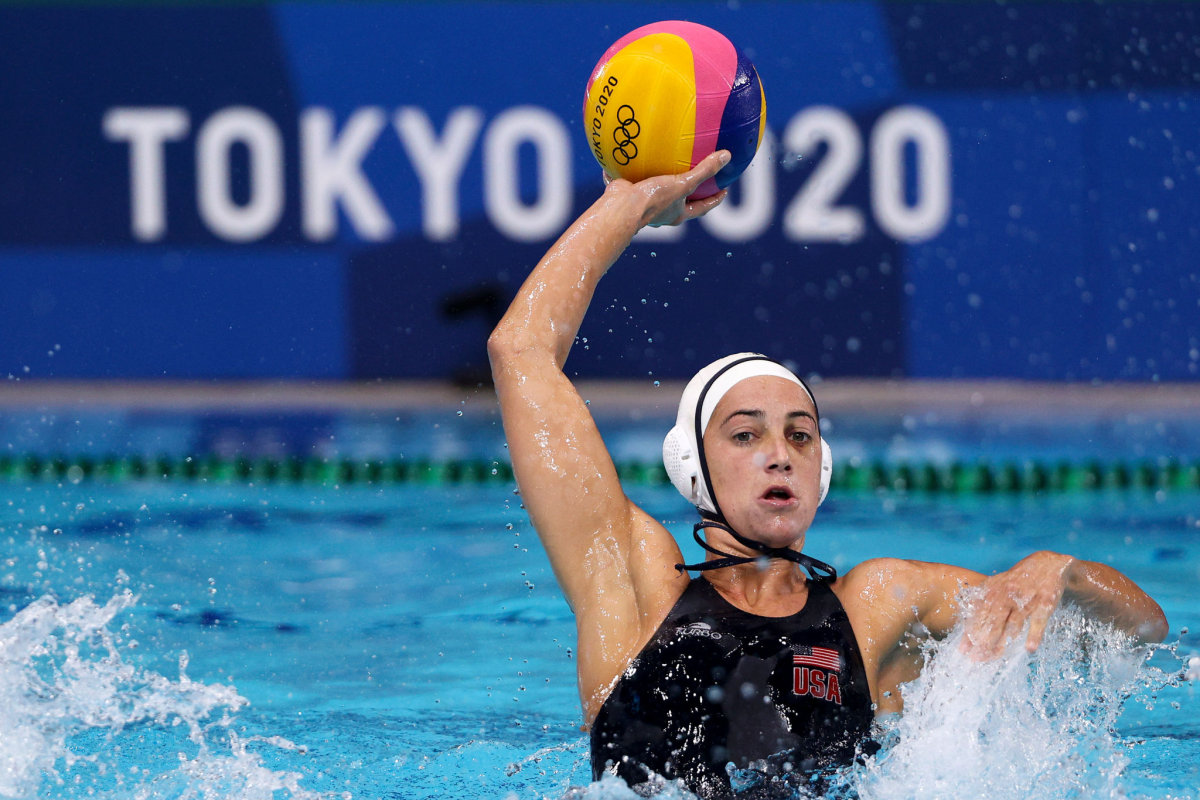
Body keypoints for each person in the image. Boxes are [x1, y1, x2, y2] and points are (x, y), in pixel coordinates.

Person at [486, 150, 1168, 799]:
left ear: (822, 470)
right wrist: (625, 207)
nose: (779, 453)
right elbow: (519, 350)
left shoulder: (875, 610)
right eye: (746, 434)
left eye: (800, 436)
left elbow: (1142, 630)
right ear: (693, 466)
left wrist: (1059, 571)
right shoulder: (634, 581)